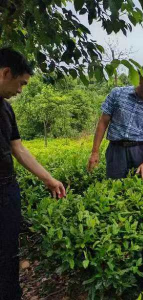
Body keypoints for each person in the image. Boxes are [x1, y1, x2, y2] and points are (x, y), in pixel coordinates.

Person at [0, 48, 66, 300]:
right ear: (6, 73)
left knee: (8, 252)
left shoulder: (6, 109)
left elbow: (17, 147)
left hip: (7, 189)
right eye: (21, 84)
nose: (21, 90)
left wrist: (48, 178)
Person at [87, 65, 143, 181]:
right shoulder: (117, 94)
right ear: (140, 79)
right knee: (115, 189)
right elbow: (103, 122)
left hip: (140, 152)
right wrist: (95, 152)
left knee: (139, 191)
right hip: (116, 151)